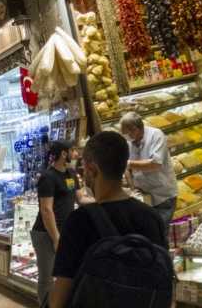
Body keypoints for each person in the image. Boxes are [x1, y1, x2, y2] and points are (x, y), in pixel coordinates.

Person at [48, 131, 168, 308]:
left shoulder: (79, 221)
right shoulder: (151, 217)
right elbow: (163, 279)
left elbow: (59, 297)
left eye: (84, 167)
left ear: (92, 169)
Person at [31, 140, 91, 307]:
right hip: (45, 234)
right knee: (47, 277)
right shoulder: (48, 177)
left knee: (66, 274)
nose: (77, 154)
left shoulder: (71, 174)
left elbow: (81, 199)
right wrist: (56, 238)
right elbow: (46, 210)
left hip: (65, 232)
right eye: (73, 151)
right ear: (64, 153)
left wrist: (101, 200)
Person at [119, 111, 178, 235]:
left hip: (162, 195)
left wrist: (129, 163)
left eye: (127, 133)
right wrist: (132, 188)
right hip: (144, 197)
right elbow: (127, 169)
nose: (126, 137)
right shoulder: (129, 141)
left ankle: (162, 254)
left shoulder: (156, 135)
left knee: (159, 232)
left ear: (135, 129)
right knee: (148, 233)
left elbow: (155, 164)